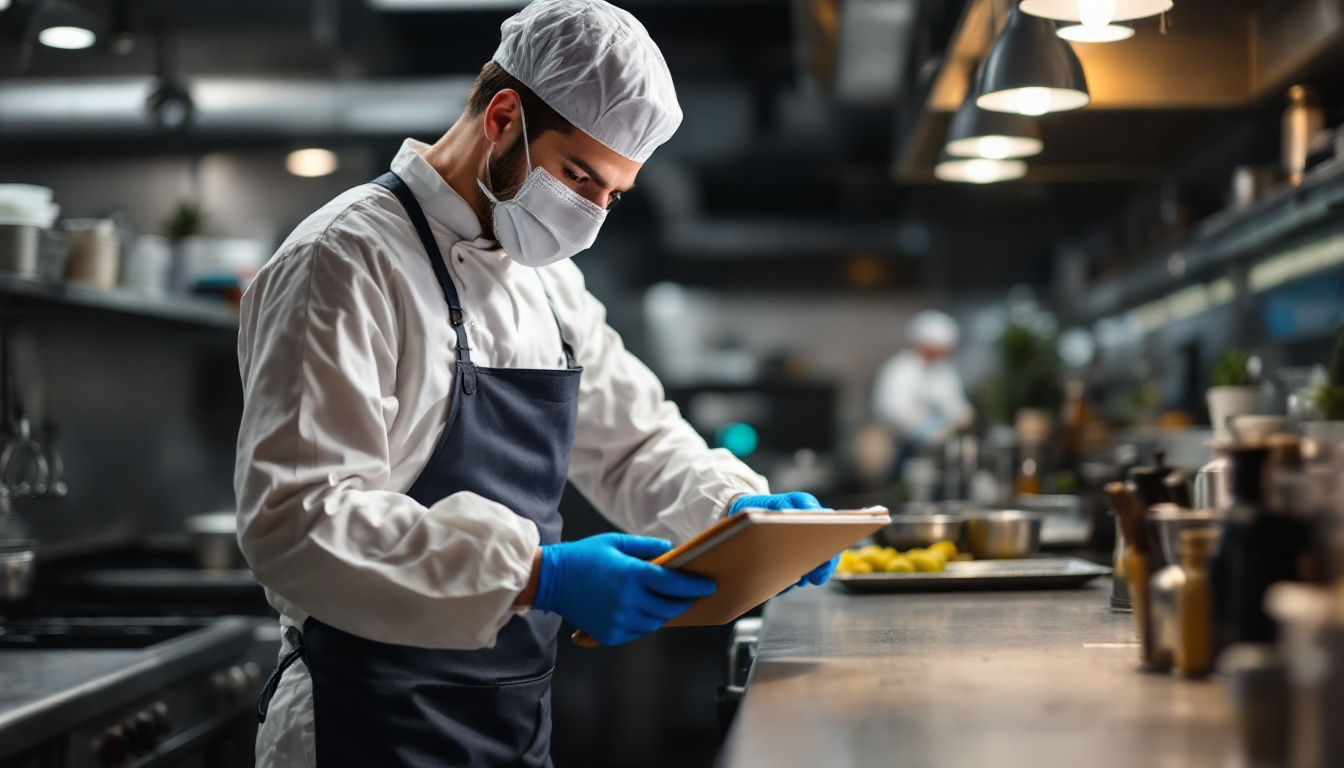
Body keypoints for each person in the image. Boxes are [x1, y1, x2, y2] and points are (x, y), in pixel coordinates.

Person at [235, 2, 834, 766]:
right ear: (503, 116)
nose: (588, 216)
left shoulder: (548, 287)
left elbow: (635, 444)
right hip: (366, 719)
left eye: (611, 196)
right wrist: (536, 574)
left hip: (510, 718)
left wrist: (737, 516)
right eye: (579, 176)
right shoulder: (342, 261)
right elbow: (297, 522)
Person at [872, 310, 974, 456]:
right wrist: (929, 426)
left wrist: (962, 415)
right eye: (935, 349)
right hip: (898, 443)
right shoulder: (899, 370)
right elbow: (894, 412)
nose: (939, 355)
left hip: (939, 445)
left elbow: (955, 404)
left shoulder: (945, 372)